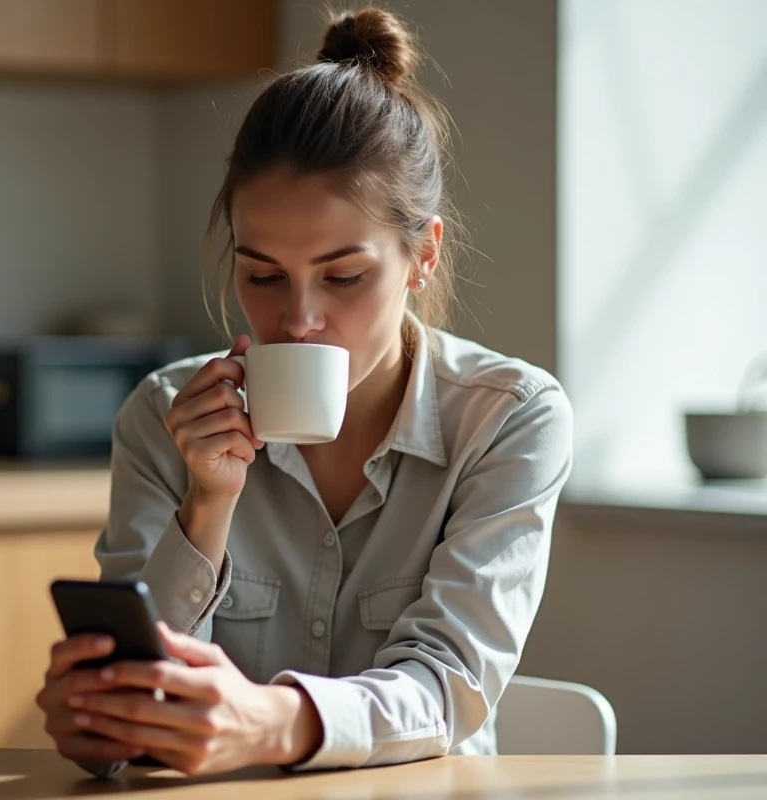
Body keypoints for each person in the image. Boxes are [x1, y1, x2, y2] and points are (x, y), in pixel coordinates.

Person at [36, 4, 572, 777]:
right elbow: (134, 696)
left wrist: (276, 722)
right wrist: (206, 506)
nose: (297, 319)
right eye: (261, 275)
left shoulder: (507, 419)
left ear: (423, 257)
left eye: (344, 276)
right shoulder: (164, 416)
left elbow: (449, 683)